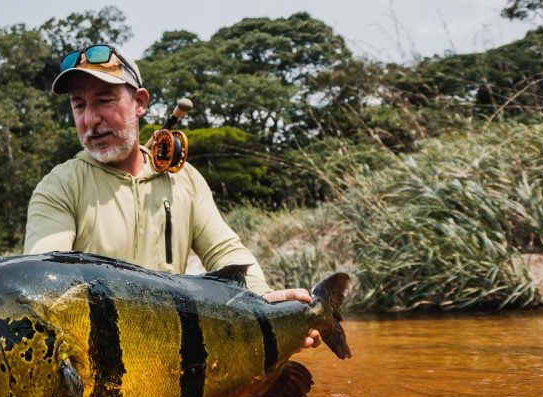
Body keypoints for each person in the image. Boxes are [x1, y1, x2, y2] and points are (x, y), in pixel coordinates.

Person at [24, 44, 321, 350]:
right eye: (79, 106)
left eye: (104, 101)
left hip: (175, 352)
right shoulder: (59, 186)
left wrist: (260, 300)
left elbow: (226, 250)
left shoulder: (185, 179)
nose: (91, 120)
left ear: (140, 102)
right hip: (96, 358)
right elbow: (41, 277)